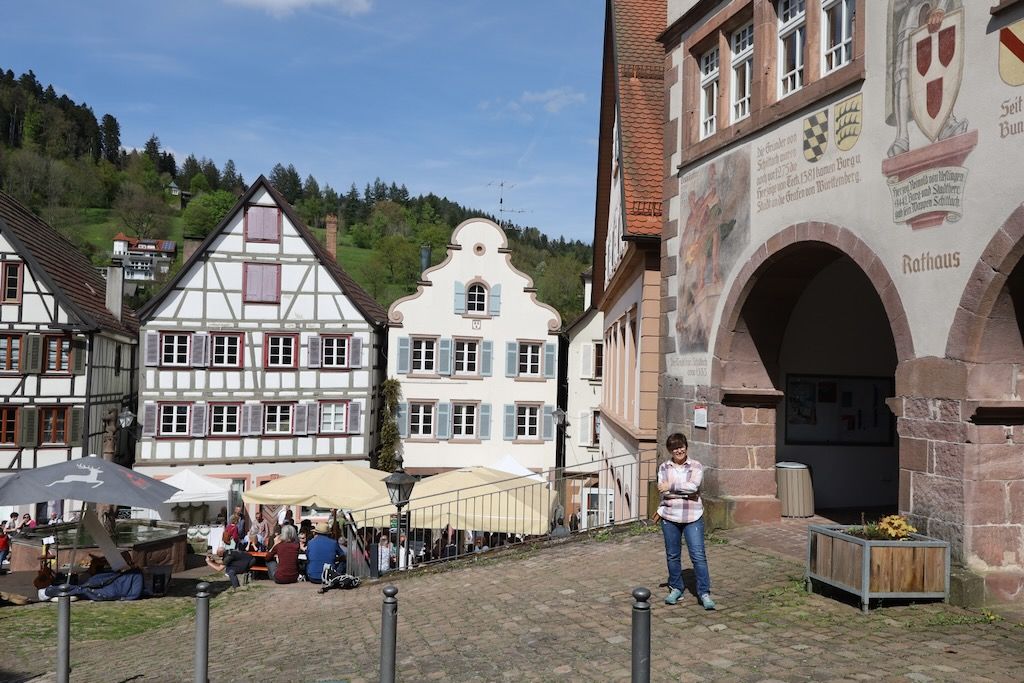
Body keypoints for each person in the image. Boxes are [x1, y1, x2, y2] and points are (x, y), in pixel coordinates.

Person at [657, 432, 715, 610]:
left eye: (681, 446)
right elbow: (663, 491)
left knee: (698, 556)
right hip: (669, 516)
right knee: (672, 555)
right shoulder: (664, 468)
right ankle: (676, 588)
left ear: (686, 447)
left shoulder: (696, 466)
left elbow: (694, 486)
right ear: (670, 450)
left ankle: (704, 593)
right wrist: (685, 492)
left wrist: (673, 487)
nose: (679, 450)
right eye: (674, 448)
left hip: (693, 516)